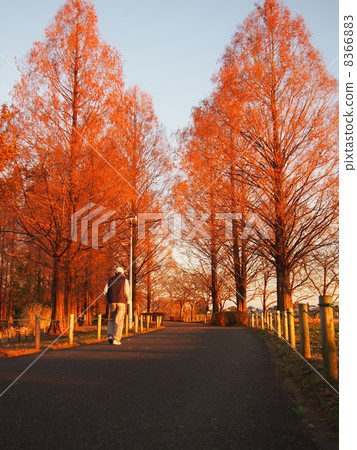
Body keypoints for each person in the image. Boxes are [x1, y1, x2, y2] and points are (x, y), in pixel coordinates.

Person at [103, 267, 131, 345]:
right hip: (121, 302)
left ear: (115, 272)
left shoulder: (109, 280)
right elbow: (126, 292)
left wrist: (108, 299)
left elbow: (104, 292)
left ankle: (110, 336)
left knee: (111, 319)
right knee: (119, 320)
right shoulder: (124, 280)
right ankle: (116, 339)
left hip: (112, 302)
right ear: (122, 272)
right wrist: (128, 300)